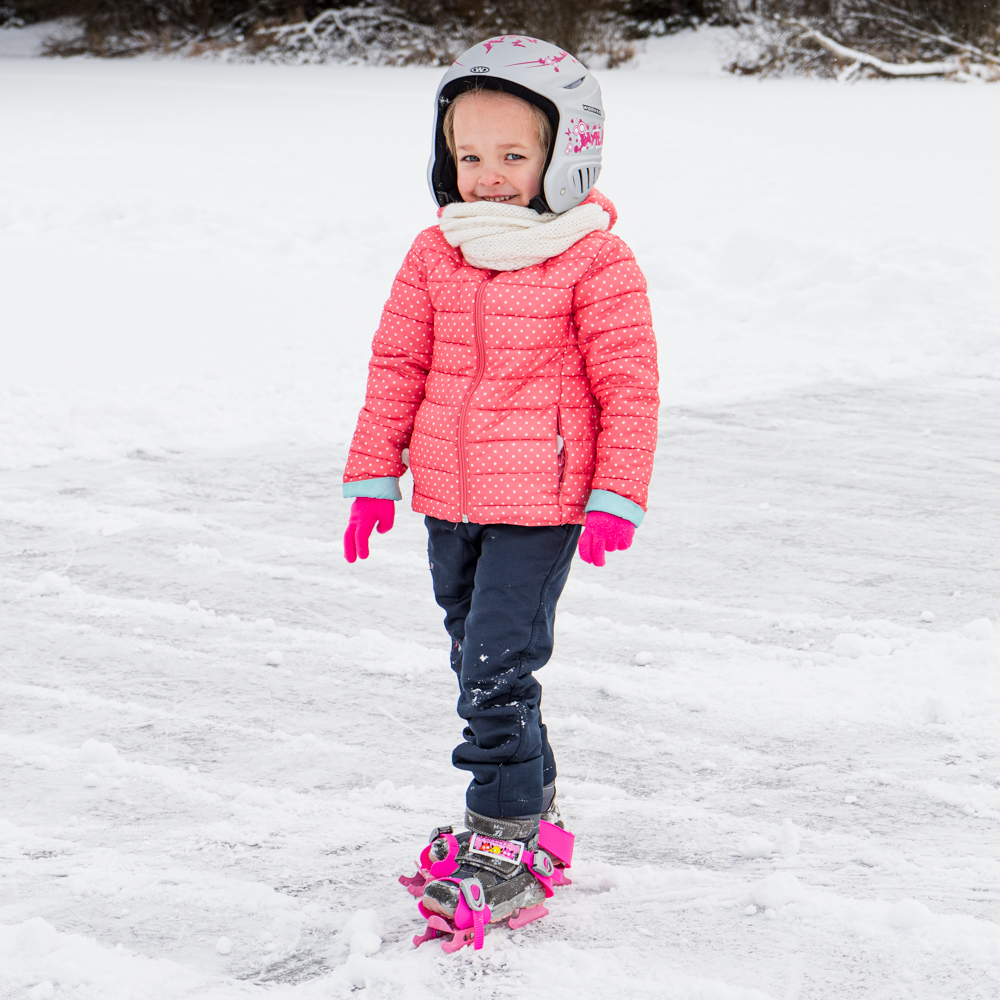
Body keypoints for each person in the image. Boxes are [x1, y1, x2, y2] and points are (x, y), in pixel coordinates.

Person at [341, 35, 659, 949]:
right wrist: (374, 473)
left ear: (568, 155)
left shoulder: (593, 258)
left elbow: (629, 385)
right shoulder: (435, 252)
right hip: (450, 496)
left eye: (514, 155)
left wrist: (616, 493)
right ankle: (534, 800)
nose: (487, 176)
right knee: (475, 661)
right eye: (470, 154)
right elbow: (397, 367)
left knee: (494, 672)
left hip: (543, 503)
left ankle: (505, 831)